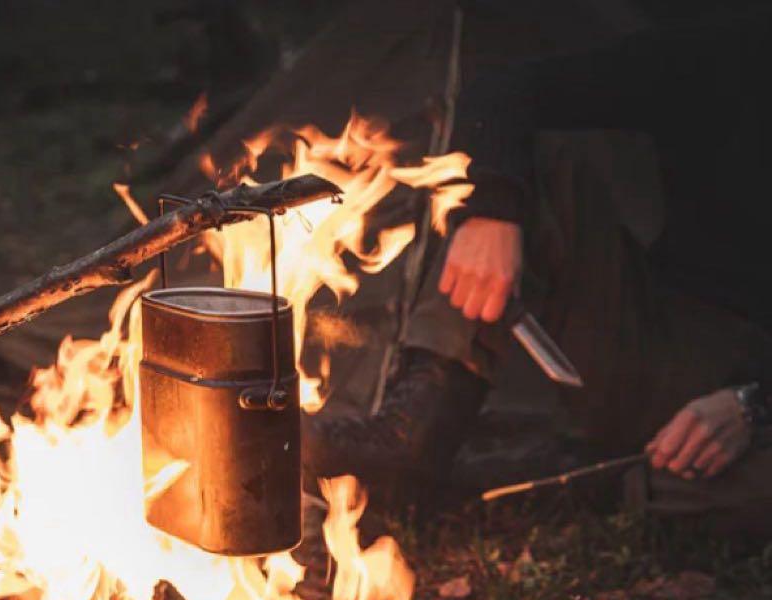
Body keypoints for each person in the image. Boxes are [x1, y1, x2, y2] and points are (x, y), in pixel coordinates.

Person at [304, 7, 772, 534]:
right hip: (666, 340)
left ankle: (587, 482)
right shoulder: (731, 48)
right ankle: (413, 439)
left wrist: (753, 405)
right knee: (543, 165)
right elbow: (506, 92)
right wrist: (493, 213)